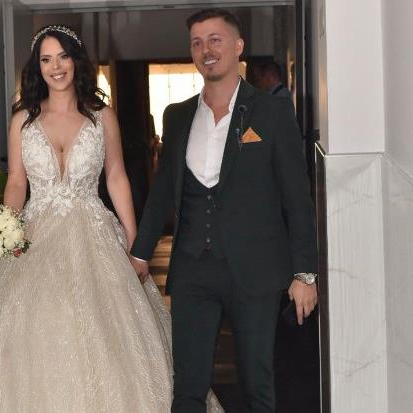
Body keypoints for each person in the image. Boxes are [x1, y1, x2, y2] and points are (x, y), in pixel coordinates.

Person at [0, 25, 222, 412]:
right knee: (37, 328)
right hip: (35, 238)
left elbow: (117, 177)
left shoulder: (101, 116)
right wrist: (6, 227)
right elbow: (17, 182)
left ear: (76, 60)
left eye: (63, 57)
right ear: (37, 67)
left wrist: (135, 242)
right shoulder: (22, 119)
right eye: (46, 59)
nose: (56, 67)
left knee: (105, 332)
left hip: (93, 232)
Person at [130, 9, 319, 413]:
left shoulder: (271, 112)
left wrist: (304, 272)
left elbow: (297, 198)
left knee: (256, 387)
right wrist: (140, 253)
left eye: (215, 40)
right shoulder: (177, 116)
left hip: (256, 270)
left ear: (238, 46)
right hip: (193, 269)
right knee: (187, 388)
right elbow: (162, 192)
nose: (206, 50)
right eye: (197, 43)